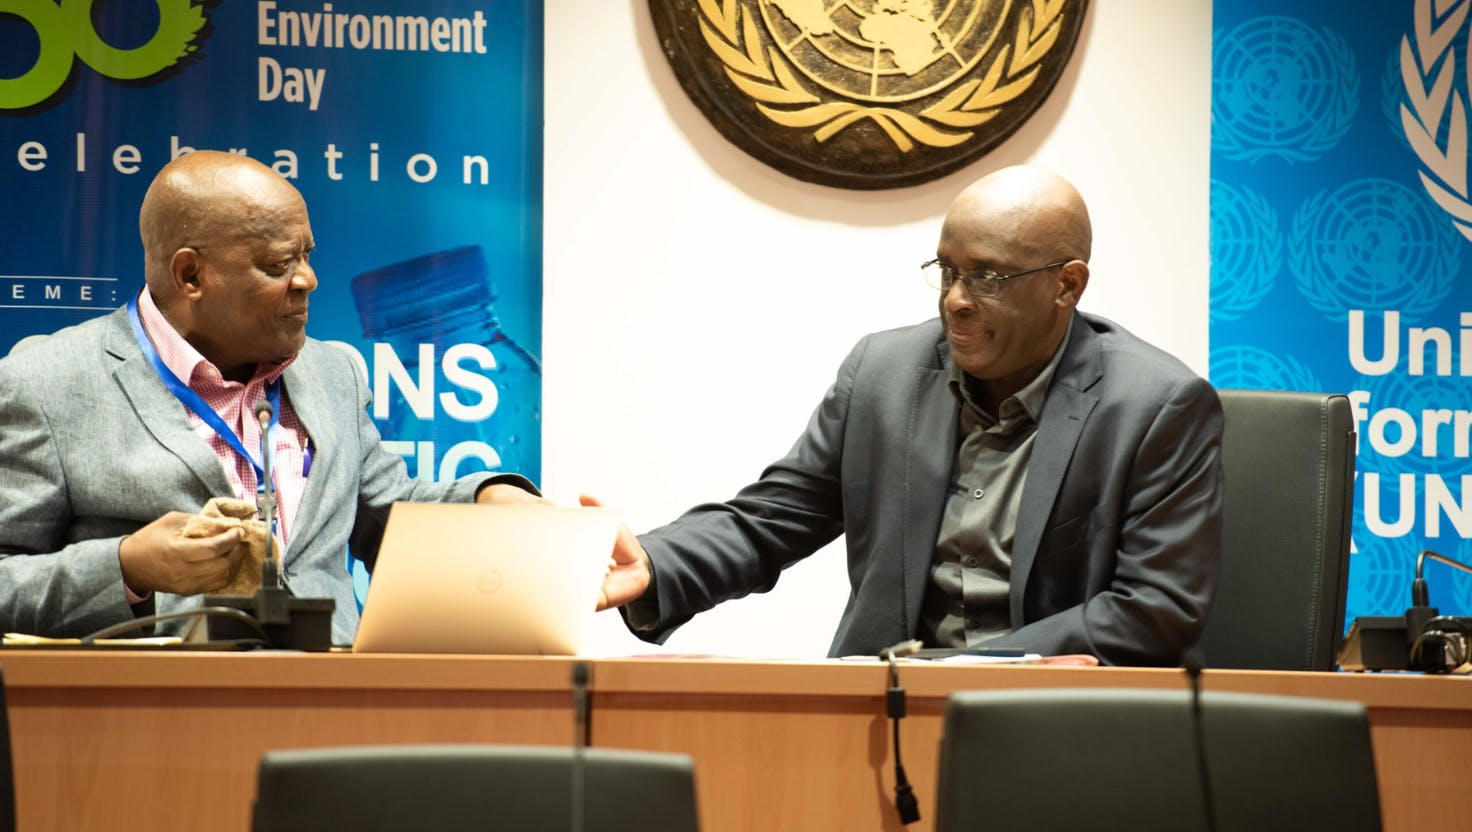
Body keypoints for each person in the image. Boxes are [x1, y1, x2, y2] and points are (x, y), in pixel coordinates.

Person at [589, 165, 1224, 666]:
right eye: (947, 270)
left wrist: (964, 669)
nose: (956, 300)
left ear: (1068, 284)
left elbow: (1154, 609)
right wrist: (652, 564)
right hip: (879, 713)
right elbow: (771, 519)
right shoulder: (885, 373)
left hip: (1055, 730)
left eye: (989, 278)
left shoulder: (1157, 406)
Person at [0, 150, 539, 645]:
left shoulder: (333, 373)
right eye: (279, 264)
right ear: (191, 274)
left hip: (337, 714)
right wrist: (128, 567)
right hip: (156, 726)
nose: (309, 279)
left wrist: (488, 500)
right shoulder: (46, 382)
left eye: (306, 255)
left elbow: (388, 517)